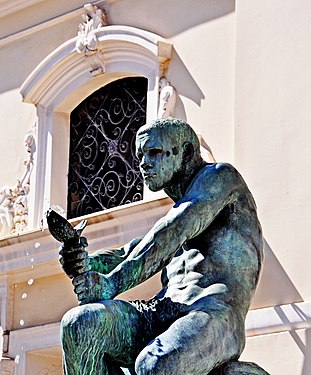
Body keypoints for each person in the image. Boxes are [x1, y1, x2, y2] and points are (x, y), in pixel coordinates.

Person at [58, 117, 264, 374]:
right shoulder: (172, 219)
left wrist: (111, 283)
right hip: (161, 311)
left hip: (213, 314)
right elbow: (130, 252)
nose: (144, 163)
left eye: (154, 152)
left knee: (154, 364)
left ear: (186, 152)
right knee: (80, 323)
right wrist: (83, 260)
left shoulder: (220, 178)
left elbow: (174, 230)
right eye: (140, 155)